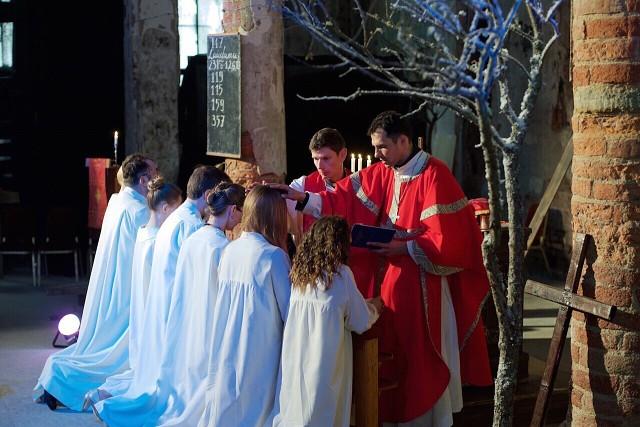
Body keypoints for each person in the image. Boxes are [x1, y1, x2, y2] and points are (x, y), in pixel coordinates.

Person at [275, 111, 493, 426]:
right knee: (391, 352)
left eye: (382, 147)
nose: (377, 154)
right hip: (389, 280)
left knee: (419, 358)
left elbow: (449, 240)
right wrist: (303, 198)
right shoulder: (384, 171)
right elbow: (343, 198)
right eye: (375, 148)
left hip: (423, 285)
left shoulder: (435, 175)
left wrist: (404, 246)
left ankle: (424, 418)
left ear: (403, 141)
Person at [94, 165, 229, 423]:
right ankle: (116, 410)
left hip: (163, 302)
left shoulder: (178, 217)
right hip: (175, 306)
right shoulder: (190, 225)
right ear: (210, 192)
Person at [34, 154, 158, 411]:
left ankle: (56, 380)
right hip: (126, 286)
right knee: (115, 353)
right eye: (154, 174)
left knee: (100, 341)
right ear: (144, 179)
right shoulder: (139, 210)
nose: (158, 179)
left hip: (112, 279)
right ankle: (62, 385)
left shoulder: (118, 200)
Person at [274, 216, 382, 427]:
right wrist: (375, 307)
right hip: (324, 361)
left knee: (296, 408)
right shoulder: (340, 275)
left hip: (297, 357)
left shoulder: (300, 275)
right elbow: (359, 321)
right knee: (322, 412)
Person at [84, 176, 182, 408]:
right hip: (153, 308)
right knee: (151, 375)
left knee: (143, 370)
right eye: (176, 209)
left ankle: (104, 393)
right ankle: (111, 405)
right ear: (165, 208)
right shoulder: (159, 239)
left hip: (142, 308)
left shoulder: (143, 232)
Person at [198, 185, 291, 427]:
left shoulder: (231, 249)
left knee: (231, 404)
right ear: (276, 217)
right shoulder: (273, 256)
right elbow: (290, 311)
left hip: (229, 342)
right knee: (254, 410)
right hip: (260, 347)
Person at [287, 127, 377, 298]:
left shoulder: (361, 188)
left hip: (354, 275)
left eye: (326, 158)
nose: (320, 166)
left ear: (342, 154)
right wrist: (264, 194)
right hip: (313, 276)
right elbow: (281, 205)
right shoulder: (303, 185)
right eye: (315, 159)